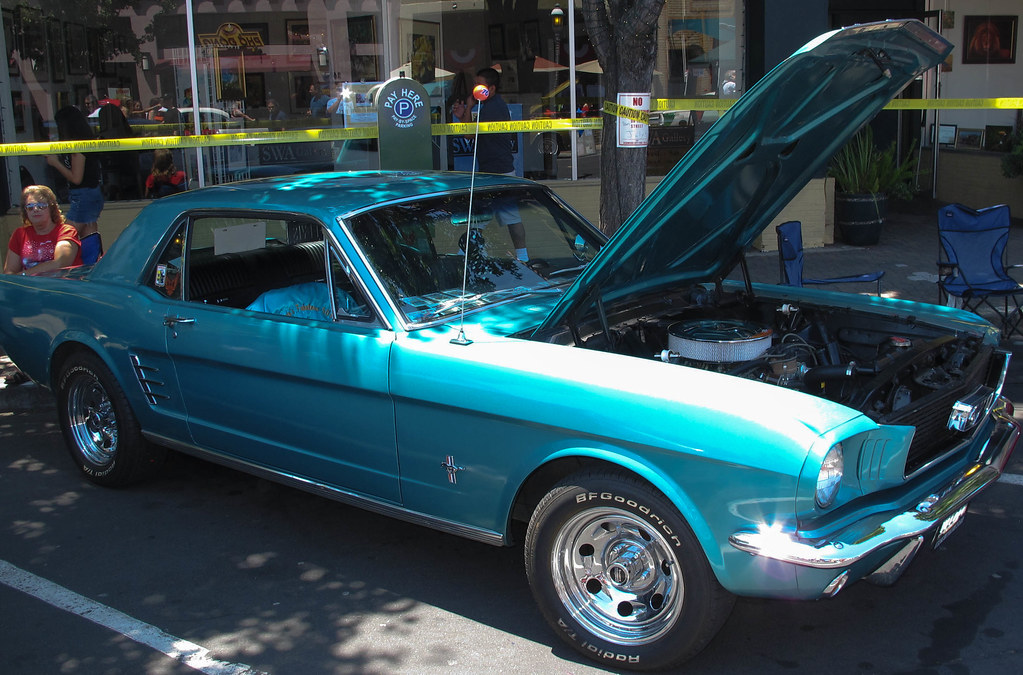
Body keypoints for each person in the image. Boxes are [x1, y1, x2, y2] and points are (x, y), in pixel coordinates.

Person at [451, 67, 527, 261]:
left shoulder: (493, 107)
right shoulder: (487, 106)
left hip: (498, 172)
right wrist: (463, 115)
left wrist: (468, 108)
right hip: (492, 171)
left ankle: (522, 257)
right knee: (482, 218)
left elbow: (469, 134)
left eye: (480, 85)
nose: (475, 88)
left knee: (500, 217)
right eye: (475, 84)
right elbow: (471, 130)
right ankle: (465, 255)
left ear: (491, 88)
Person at [46, 106, 104, 240]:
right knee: (89, 238)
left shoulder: (78, 147)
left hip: (84, 195)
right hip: (90, 194)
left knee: (65, 239)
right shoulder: (80, 143)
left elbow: (76, 178)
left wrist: (56, 163)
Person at [4, 185, 82, 275]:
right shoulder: (19, 234)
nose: (35, 209)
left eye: (41, 206)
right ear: (25, 211)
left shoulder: (66, 231)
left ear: (51, 208)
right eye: (30, 207)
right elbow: (9, 271)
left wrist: (24, 276)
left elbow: (60, 263)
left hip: (62, 282)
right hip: (28, 283)